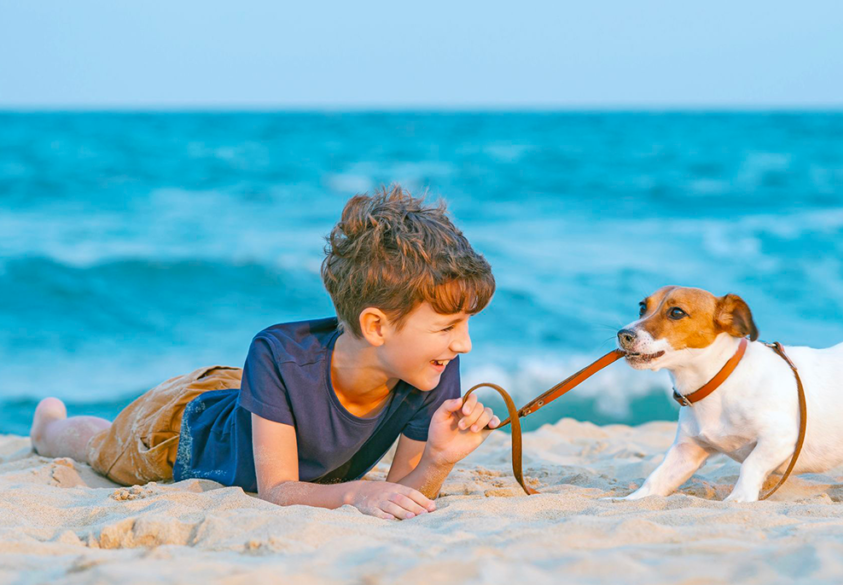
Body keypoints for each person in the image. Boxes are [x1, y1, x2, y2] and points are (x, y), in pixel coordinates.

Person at [30, 185, 501, 520]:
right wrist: (353, 492)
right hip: (181, 433)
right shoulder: (277, 352)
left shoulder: (431, 366)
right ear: (376, 326)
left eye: (465, 325)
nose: (463, 343)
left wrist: (438, 461)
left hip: (256, 403)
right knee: (98, 445)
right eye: (447, 326)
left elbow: (400, 496)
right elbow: (276, 491)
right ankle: (48, 426)